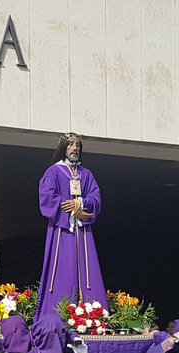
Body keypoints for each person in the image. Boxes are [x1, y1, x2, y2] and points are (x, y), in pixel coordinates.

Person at [35, 132, 108, 318]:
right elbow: (47, 197)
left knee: (88, 271)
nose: (75, 149)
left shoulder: (86, 174)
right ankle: (57, 315)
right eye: (71, 145)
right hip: (63, 231)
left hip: (83, 232)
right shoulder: (53, 172)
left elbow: (96, 198)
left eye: (77, 145)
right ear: (63, 149)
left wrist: (81, 203)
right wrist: (69, 207)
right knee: (62, 269)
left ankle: (93, 316)